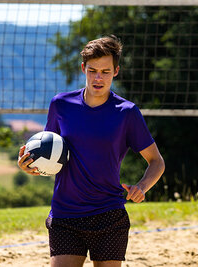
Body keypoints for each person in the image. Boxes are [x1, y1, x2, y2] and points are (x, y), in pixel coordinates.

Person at [17, 35, 165, 267]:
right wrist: (29, 165)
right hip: (65, 213)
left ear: (116, 71)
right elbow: (48, 152)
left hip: (109, 213)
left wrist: (142, 187)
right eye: (93, 70)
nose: (98, 78)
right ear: (83, 68)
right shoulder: (60, 105)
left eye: (105, 72)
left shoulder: (126, 112)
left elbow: (156, 161)